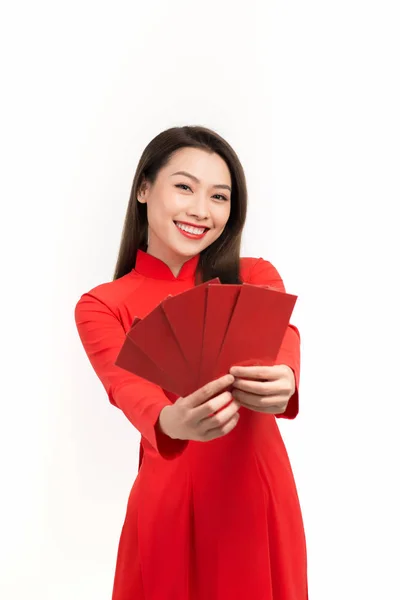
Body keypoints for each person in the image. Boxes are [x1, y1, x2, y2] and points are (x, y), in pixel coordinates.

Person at [74, 125, 308, 600]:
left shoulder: (253, 275)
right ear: (143, 188)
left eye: (219, 196)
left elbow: (282, 334)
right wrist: (168, 421)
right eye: (184, 187)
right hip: (168, 505)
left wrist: (285, 376)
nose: (202, 210)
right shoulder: (101, 305)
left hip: (256, 498)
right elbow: (125, 387)